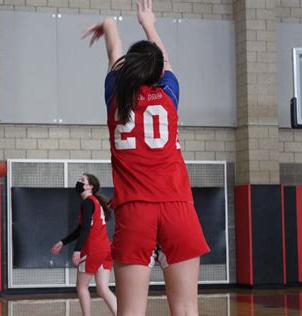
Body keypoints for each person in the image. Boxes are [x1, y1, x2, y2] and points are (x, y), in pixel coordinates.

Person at [82, 1, 210, 315]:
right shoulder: (169, 92)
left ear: (129, 66)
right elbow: (163, 63)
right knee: (185, 309)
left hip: (134, 211)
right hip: (178, 208)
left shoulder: (115, 94)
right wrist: (148, 23)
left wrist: (109, 24)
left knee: (130, 312)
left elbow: (114, 55)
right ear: (157, 71)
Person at [51, 174, 117, 316]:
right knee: (103, 289)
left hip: (93, 250)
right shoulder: (95, 202)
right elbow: (82, 228)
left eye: (82, 180)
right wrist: (63, 242)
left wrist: (77, 250)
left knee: (81, 287)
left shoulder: (87, 203)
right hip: (105, 249)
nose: (78, 182)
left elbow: (86, 228)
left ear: (90, 187)